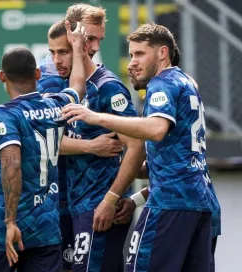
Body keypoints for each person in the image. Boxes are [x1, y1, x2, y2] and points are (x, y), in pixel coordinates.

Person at [62, 23, 214, 271]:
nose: (132, 62)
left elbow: (155, 129)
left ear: (162, 53)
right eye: (131, 55)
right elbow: (175, 160)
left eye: (140, 54)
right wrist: (133, 192)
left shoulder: (161, 83)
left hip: (168, 204)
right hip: (200, 203)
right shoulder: (187, 82)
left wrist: (96, 117)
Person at [0, 21, 88, 272]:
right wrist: (77, 48)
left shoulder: (5, 115)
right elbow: (78, 85)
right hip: (45, 224)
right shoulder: (57, 105)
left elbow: (11, 166)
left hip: (4, 227)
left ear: (2, 77)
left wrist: (10, 221)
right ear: (37, 75)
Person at [44, 19, 145, 272]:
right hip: (68, 204)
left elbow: (136, 144)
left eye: (63, 52)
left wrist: (111, 199)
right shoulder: (54, 83)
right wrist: (90, 145)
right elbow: (40, 143)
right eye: (52, 52)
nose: (56, 60)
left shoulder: (107, 87)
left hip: (98, 204)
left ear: (79, 46)